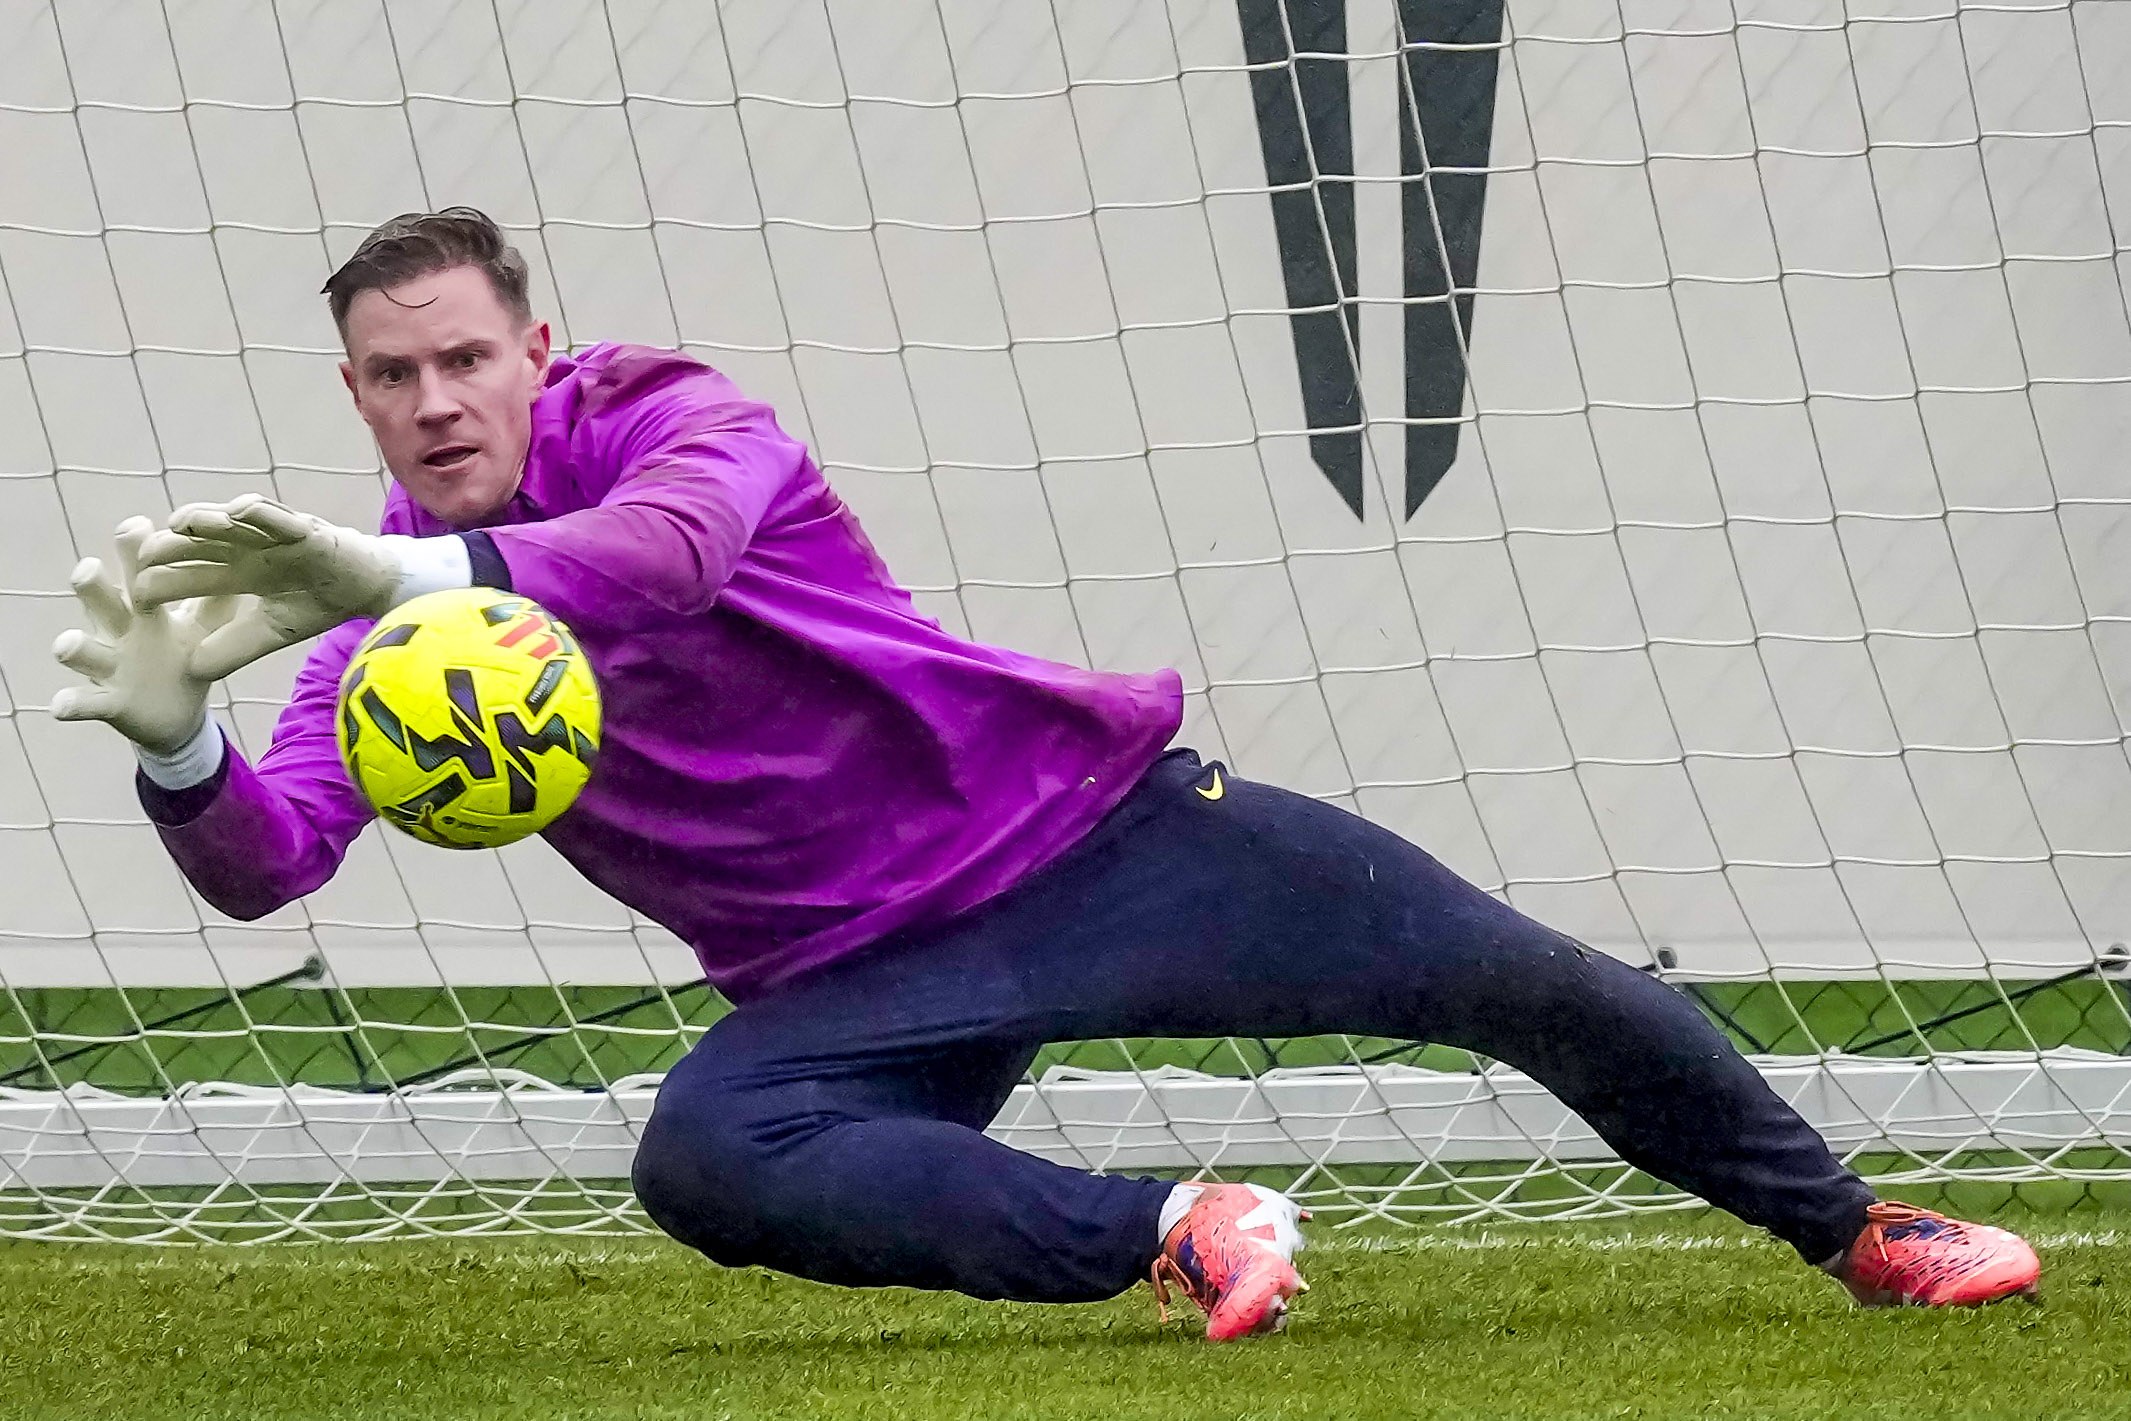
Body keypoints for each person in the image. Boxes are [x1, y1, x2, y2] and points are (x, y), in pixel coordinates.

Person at [49, 208, 2040, 1338]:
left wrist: (401, 563)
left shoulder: (660, 420)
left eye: (462, 361)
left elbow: (665, 559)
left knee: (1517, 981)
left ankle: (1861, 1233)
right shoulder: (390, 627)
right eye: (391, 379)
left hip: (1091, 840)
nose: (432, 401)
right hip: (852, 991)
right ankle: (1173, 1226)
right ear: (353, 396)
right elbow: (269, 863)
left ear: (535, 350)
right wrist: (180, 733)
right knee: (705, 1159)